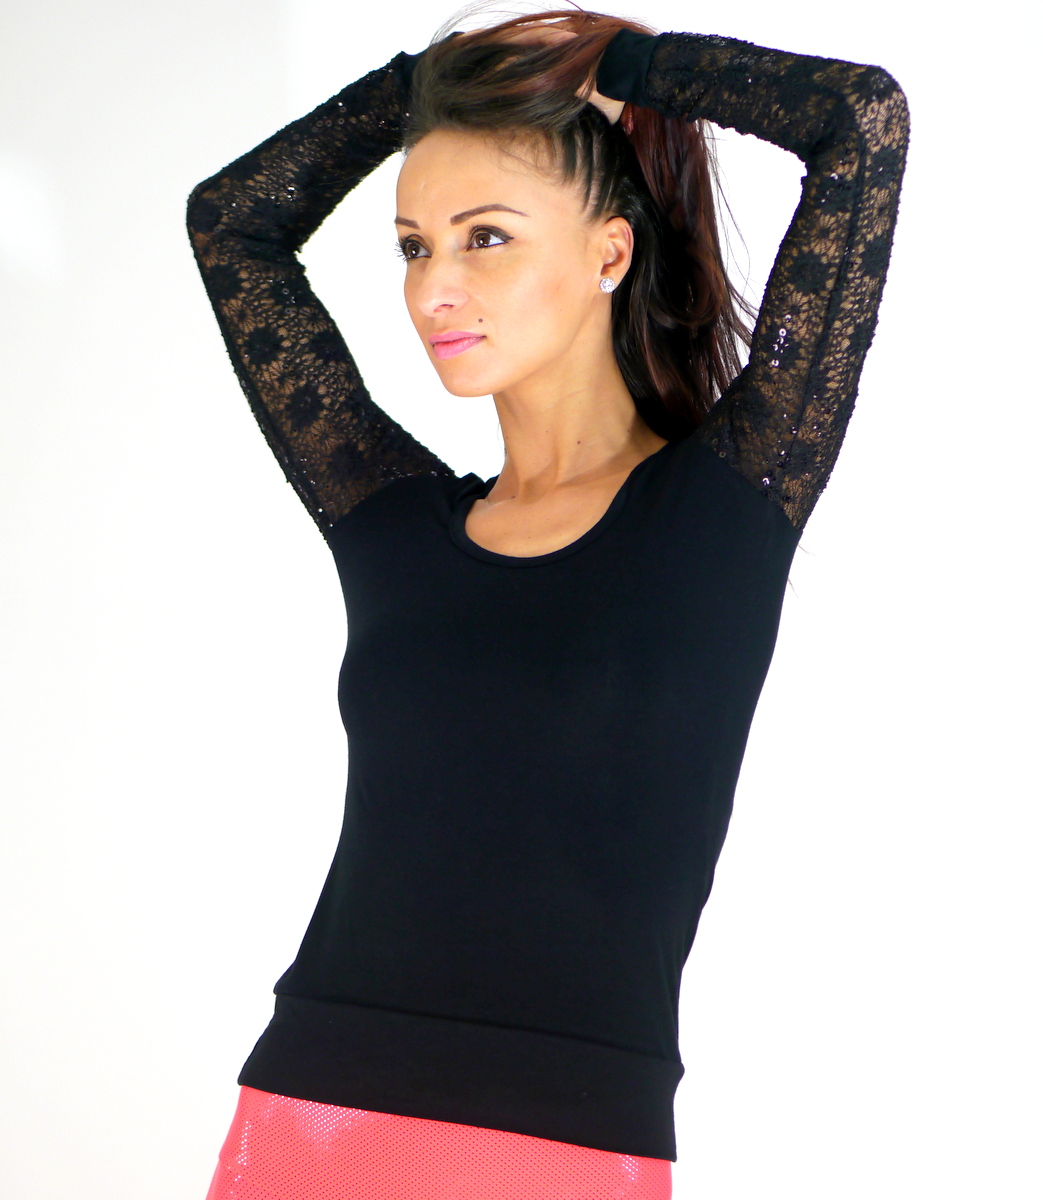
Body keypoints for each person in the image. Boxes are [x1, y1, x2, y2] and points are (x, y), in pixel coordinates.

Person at [187, 8, 909, 1197]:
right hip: (313, 1118)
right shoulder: (395, 530)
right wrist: (424, 87)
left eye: (486, 237)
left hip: (570, 1147)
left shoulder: (726, 508)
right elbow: (231, 223)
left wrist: (615, 63)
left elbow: (860, 122)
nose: (436, 287)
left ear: (609, 252)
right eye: (414, 246)